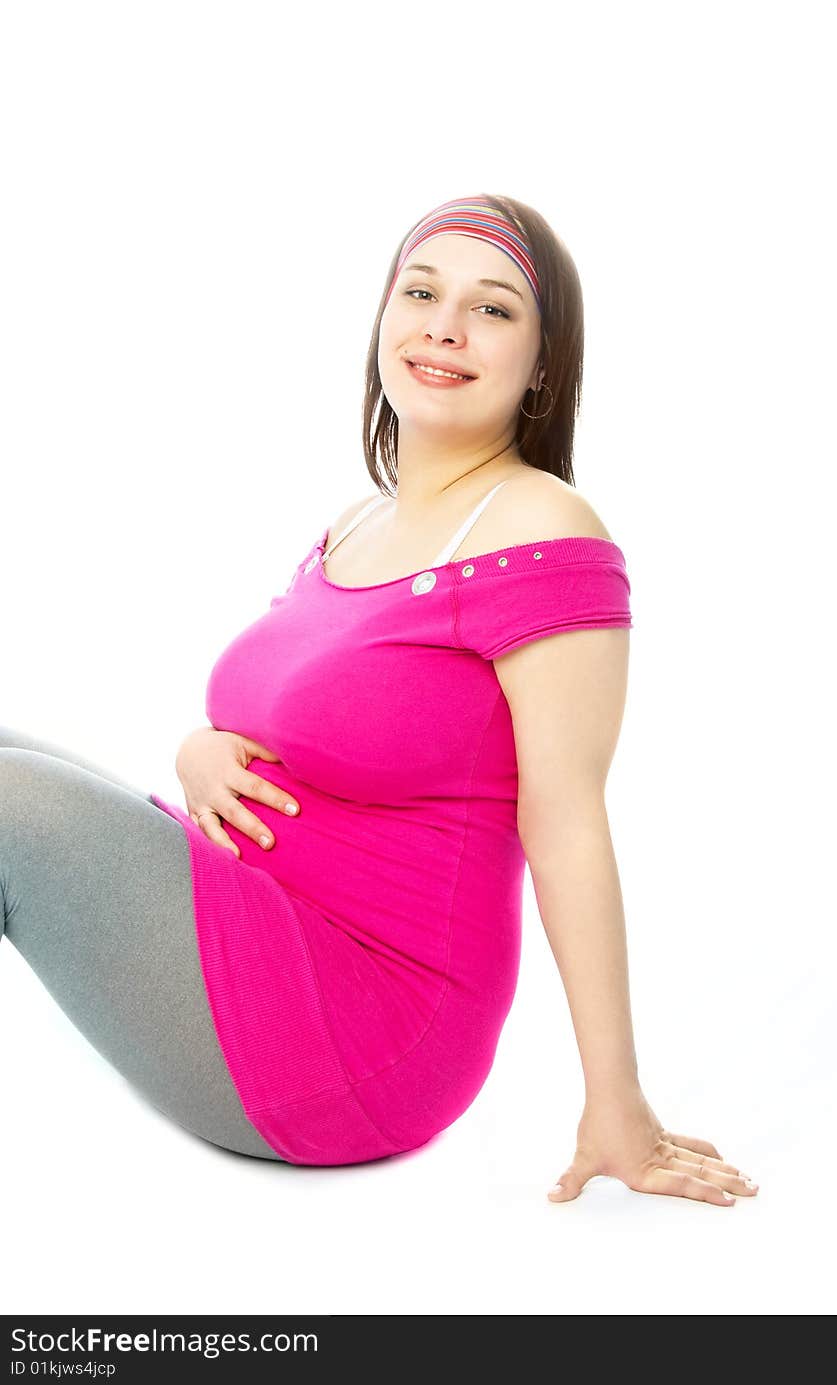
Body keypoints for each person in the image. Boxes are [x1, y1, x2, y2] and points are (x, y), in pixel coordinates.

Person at [1, 192, 758, 1204]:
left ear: (542, 361)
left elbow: (567, 818)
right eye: (420, 291)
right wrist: (197, 746)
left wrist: (613, 1099)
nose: (443, 324)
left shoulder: (546, 527)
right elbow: (292, 720)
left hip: (360, 1024)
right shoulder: (356, 524)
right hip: (257, 916)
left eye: (491, 309)